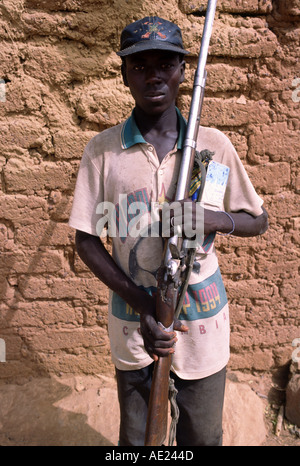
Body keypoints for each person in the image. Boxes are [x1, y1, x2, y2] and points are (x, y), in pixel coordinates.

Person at [68, 16, 268, 446]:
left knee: (202, 436)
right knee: (139, 438)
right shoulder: (102, 152)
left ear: (183, 72)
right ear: (123, 75)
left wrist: (218, 220)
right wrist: (142, 303)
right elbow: (86, 239)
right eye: (140, 66)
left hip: (203, 329)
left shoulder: (214, 147)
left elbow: (259, 220)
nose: (154, 75)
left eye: (166, 64)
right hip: (132, 324)